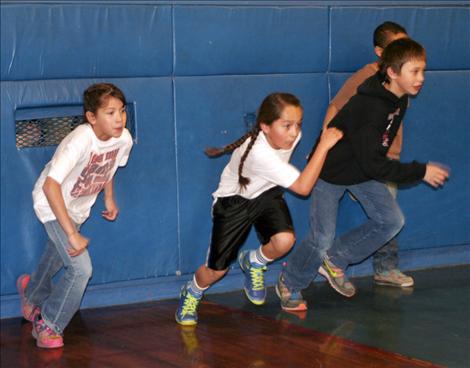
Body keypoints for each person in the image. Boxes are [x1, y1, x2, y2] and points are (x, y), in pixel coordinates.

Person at [277, 38, 450, 311]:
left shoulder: (399, 100)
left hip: (362, 169)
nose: (421, 78)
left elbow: (374, 153)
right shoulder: (371, 107)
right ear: (393, 73)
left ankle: (334, 260)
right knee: (322, 236)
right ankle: (290, 282)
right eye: (414, 72)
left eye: (423, 71)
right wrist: (420, 171)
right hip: (331, 172)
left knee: (392, 220)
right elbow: (371, 160)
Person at [175, 92, 343, 325]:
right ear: (265, 126)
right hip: (234, 201)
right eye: (286, 125)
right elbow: (304, 188)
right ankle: (192, 291)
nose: (294, 133)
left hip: (267, 192)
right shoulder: (259, 154)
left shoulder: (290, 136)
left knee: (284, 241)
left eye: (298, 125)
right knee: (216, 272)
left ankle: (254, 261)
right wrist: (324, 145)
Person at [16, 83, 133, 348]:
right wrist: (72, 233)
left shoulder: (123, 138)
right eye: (110, 113)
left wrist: (109, 197)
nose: (119, 119)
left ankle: (31, 293)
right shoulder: (81, 139)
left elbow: (110, 165)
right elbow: (50, 186)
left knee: (56, 258)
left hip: (78, 207)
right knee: (81, 270)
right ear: (92, 117)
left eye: (122, 111)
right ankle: (49, 323)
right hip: (52, 204)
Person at [323, 21, 413, 288]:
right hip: (363, 160)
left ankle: (384, 268)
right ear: (379, 51)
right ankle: (333, 261)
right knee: (388, 215)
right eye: (397, 47)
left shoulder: (403, 78)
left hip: (387, 159)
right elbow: (336, 106)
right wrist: (323, 147)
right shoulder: (367, 76)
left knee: (390, 217)